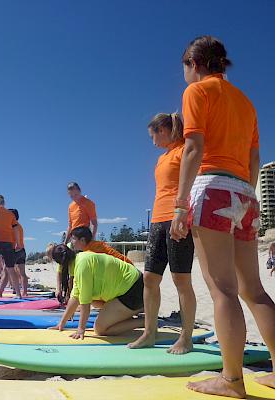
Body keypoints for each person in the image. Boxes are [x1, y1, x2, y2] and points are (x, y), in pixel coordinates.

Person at [170, 36, 275, 397]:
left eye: (185, 66)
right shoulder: (245, 102)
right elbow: (254, 161)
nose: (185, 73)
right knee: (254, 290)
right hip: (245, 194)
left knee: (223, 291)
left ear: (194, 63)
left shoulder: (198, 92)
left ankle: (231, 381)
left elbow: (194, 148)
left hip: (212, 188)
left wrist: (181, 205)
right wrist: (243, 192)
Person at [128, 113, 196, 355]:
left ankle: (186, 338)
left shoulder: (184, 150)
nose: (153, 141)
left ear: (164, 130)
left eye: (153, 135)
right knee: (149, 278)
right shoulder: (162, 158)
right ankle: (149, 332)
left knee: (181, 280)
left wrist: (183, 213)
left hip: (177, 219)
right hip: (157, 220)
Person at [50, 246, 144, 339]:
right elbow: (75, 297)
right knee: (93, 301)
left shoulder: (82, 267)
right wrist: (61, 324)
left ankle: (145, 321)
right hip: (133, 286)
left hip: (134, 291)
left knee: (100, 329)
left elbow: (85, 304)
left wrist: (81, 329)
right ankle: (131, 313)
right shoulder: (80, 259)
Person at [47, 228, 133, 303]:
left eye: (73, 239)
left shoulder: (88, 252)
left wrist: (72, 300)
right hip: (125, 274)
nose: (71, 241)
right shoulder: (82, 250)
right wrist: (59, 290)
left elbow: (73, 281)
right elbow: (61, 273)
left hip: (127, 277)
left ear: (82, 240)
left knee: (88, 295)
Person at [0, 209, 29, 296]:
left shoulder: (12, 226)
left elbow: (11, 241)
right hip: (22, 250)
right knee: (22, 273)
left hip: (14, 250)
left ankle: (0, 293)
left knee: (6, 271)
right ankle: (25, 292)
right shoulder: (20, 226)